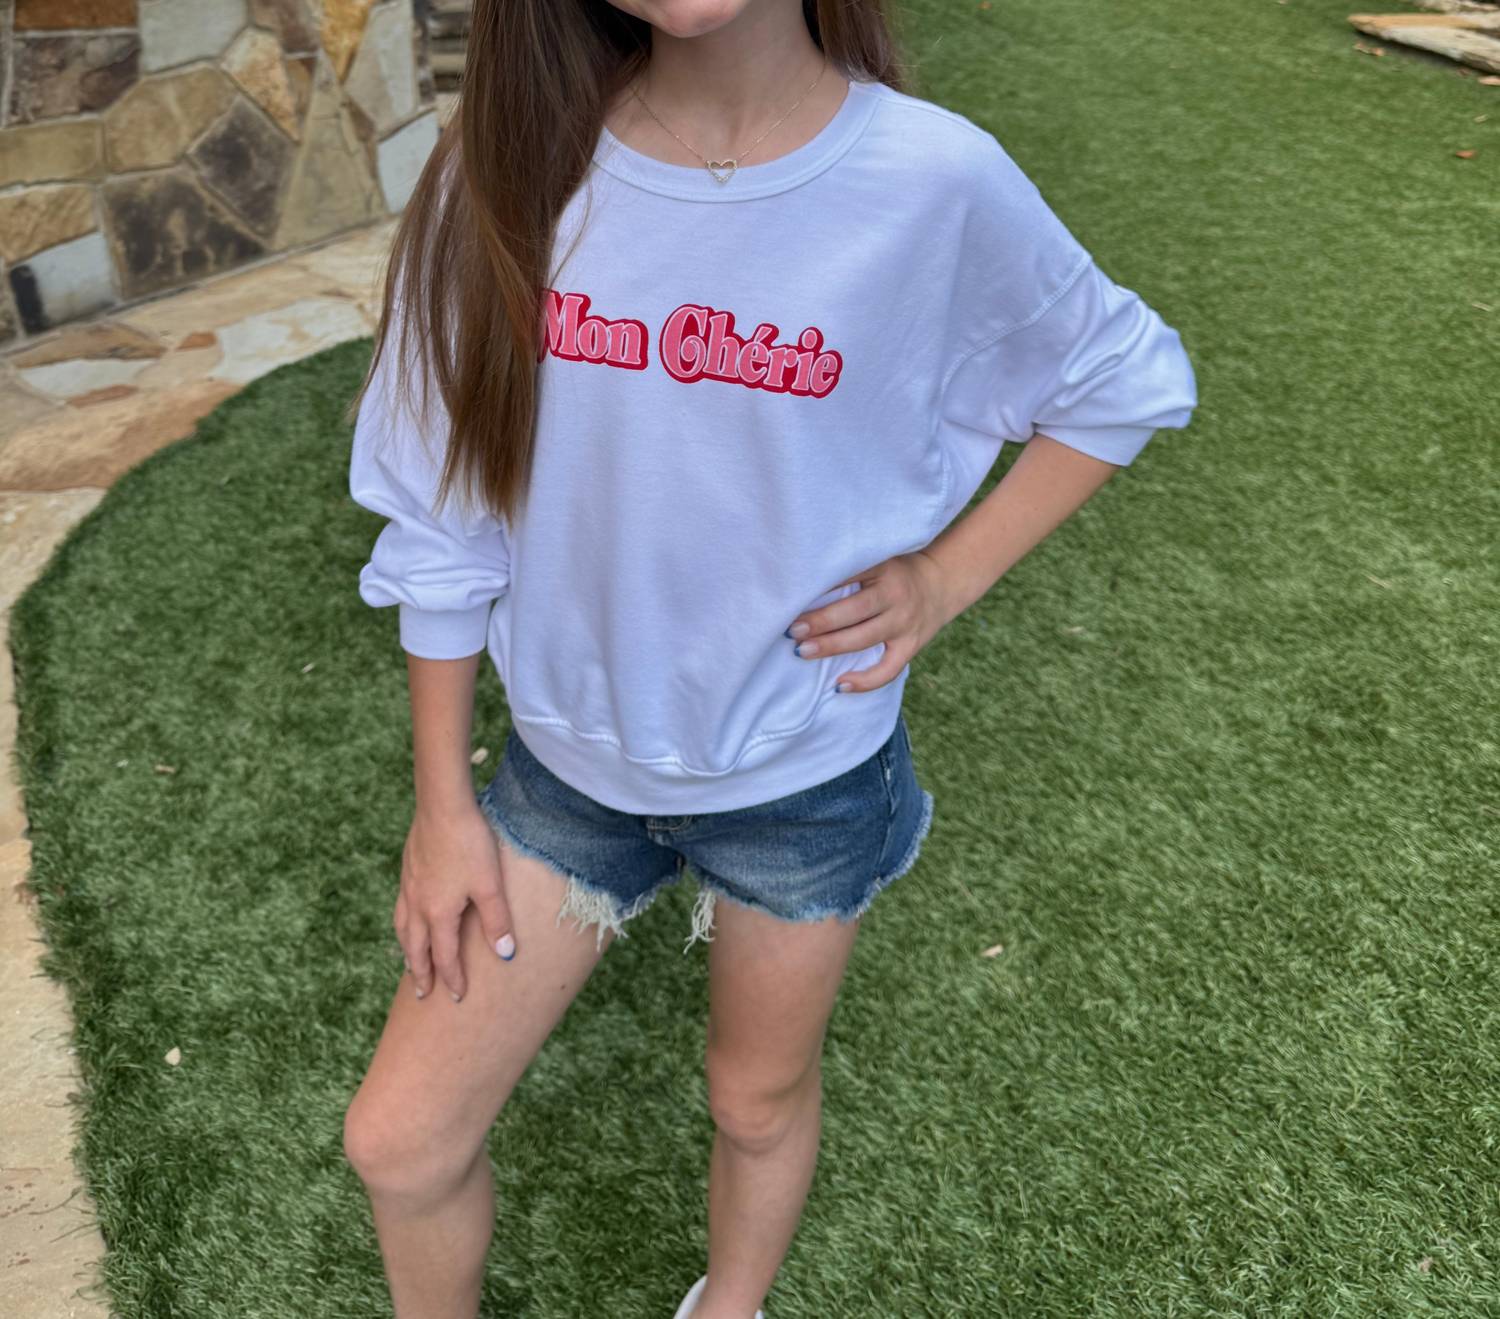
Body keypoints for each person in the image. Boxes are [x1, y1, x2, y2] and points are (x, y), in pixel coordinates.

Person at [340, 2, 1198, 1316]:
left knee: (754, 1099)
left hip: (804, 778)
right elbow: (439, 512)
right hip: (563, 777)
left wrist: (945, 577)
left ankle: (729, 1306)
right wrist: (442, 807)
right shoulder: (502, 166)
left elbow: (1124, 377)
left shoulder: (934, 178)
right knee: (399, 1143)